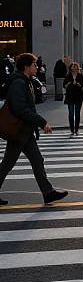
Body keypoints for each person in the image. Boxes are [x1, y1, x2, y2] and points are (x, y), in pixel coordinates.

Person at [0, 53, 68, 206]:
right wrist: (42, 122)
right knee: (8, 164)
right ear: (26, 66)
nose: (37, 67)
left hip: (24, 131)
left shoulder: (26, 81)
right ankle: (48, 192)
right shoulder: (19, 82)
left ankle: (48, 192)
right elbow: (21, 108)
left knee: (36, 160)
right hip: (19, 131)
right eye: (34, 64)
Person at [63, 62, 83, 137]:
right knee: (71, 114)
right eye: (73, 68)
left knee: (77, 114)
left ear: (78, 69)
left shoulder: (80, 76)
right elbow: (64, 85)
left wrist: (79, 85)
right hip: (70, 96)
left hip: (78, 96)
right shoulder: (68, 76)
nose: (74, 69)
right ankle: (72, 130)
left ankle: (76, 129)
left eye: (75, 68)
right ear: (70, 69)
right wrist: (69, 84)